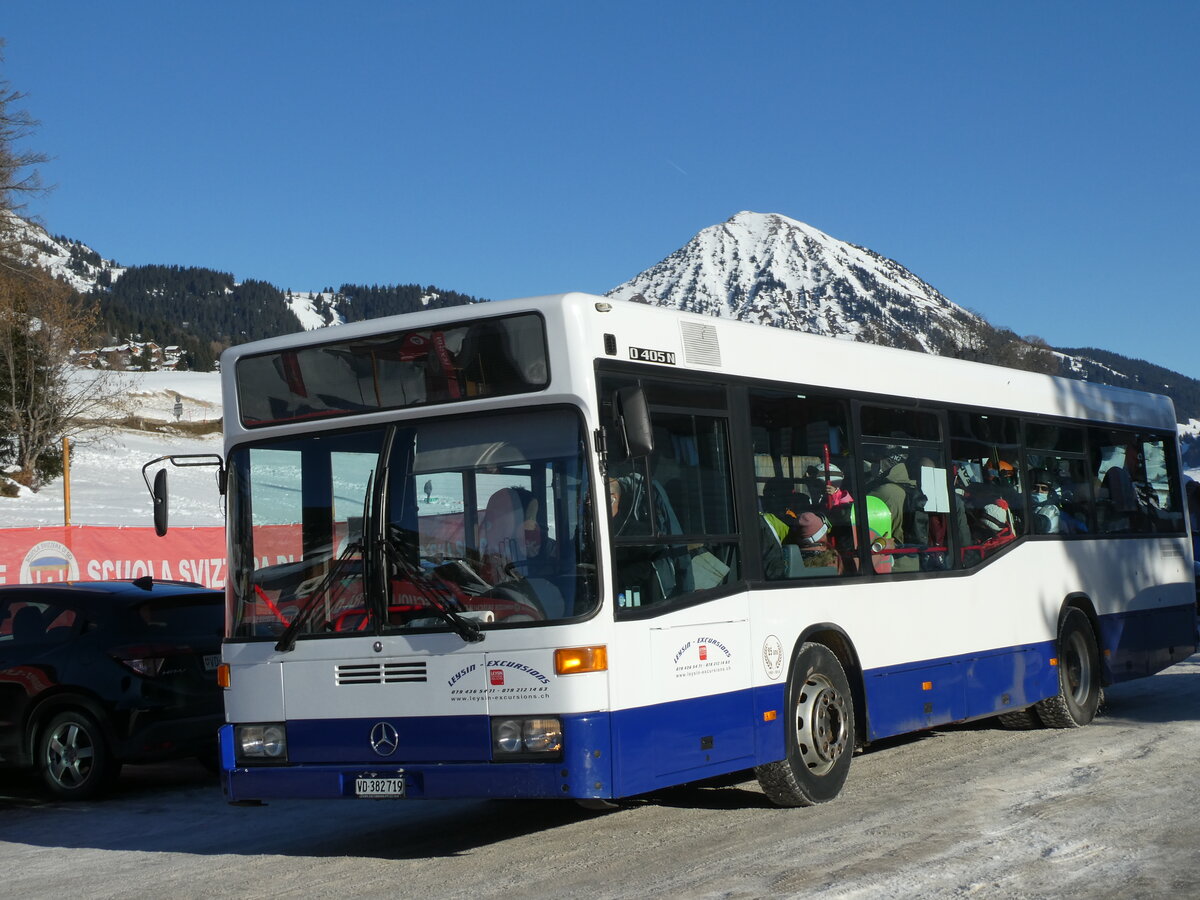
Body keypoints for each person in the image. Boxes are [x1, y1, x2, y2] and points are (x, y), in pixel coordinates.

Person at [1028, 468, 1062, 534]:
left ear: (1049, 491)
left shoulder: (1051, 508)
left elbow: (1040, 525)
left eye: (1044, 488)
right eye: (1034, 488)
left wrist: (1021, 511)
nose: (1039, 491)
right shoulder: (1028, 505)